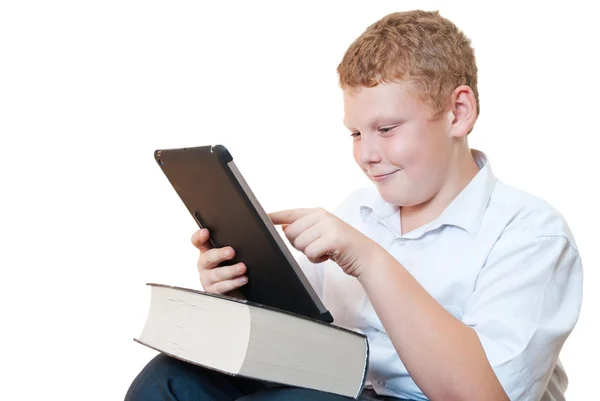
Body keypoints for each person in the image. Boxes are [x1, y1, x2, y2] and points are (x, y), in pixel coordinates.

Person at [125, 9, 583, 401]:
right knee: (168, 382)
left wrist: (368, 260)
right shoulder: (359, 210)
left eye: (386, 129)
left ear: (458, 113)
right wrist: (238, 287)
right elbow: (298, 336)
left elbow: (484, 394)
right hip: (341, 386)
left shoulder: (529, 233)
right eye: (355, 133)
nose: (366, 154)